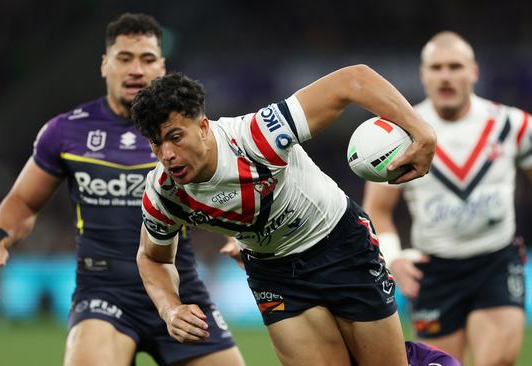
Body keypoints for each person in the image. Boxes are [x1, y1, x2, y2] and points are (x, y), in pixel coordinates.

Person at [0, 13, 244, 366]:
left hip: (179, 288)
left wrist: (239, 232)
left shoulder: (189, 132)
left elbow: (235, 187)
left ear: (161, 66)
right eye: (124, 58)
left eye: (146, 59)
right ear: (105, 65)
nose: (135, 70)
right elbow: (23, 200)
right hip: (104, 292)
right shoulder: (65, 132)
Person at [130, 65, 436, 365]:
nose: (167, 154)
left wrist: (421, 130)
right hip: (273, 274)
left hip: (341, 245)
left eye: (176, 137)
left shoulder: (255, 136)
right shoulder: (163, 193)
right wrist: (170, 309)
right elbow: (152, 257)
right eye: (157, 144)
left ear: (203, 126)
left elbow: (352, 80)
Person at [362, 31, 532, 366]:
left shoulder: (512, 125)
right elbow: (378, 208)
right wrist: (395, 258)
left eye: (455, 66)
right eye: (437, 67)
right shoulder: (401, 134)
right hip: (434, 271)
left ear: (473, 72)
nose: (446, 75)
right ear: (423, 74)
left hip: (496, 262)